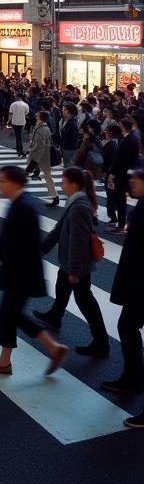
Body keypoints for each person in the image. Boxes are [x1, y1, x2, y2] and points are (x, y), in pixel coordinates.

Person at [0, 165, 69, 377]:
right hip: (20, 272)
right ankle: (10, 360)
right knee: (10, 314)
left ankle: (14, 359)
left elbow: (24, 244)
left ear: (14, 183)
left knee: (8, 313)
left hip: (21, 273)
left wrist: (0, 259)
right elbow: (7, 235)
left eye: (1, 181)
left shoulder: (24, 207)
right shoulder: (19, 202)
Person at [32, 167, 109, 357]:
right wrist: (43, 248)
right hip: (70, 262)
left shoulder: (80, 207)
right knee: (62, 285)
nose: (61, 184)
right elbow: (59, 229)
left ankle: (101, 342)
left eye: (64, 181)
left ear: (74, 184)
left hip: (78, 265)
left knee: (86, 302)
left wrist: (74, 270)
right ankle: (55, 316)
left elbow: (78, 241)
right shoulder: (75, 202)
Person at [100, 168, 144, 403]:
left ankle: (133, 378)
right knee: (128, 325)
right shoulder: (141, 207)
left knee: (127, 325)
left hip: (139, 283)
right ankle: (133, 377)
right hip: (136, 282)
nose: (132, 184)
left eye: (136, 181)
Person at [27, 110, 60, 207]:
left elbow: (40, 146)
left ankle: (55, 197)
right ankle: (54, 197)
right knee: (47, 176)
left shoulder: (42, 129)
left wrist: (34, 160)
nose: (36, 117)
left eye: (38, 116)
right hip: (43, 155)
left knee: (47, 176)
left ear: (41, 118)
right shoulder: (43, 127)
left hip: (42, 156)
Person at [8, 92, 30, 157]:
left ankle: (19, 149)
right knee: (19, 135)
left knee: (18, 135)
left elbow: (10, 113)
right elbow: (27, 113)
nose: (14, 97)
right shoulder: (25, 104)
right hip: (22, 121)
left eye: (15, 96)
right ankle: (19, 149)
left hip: (14, 121)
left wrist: (9, 121)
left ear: (18, 97)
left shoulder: (13, 104)